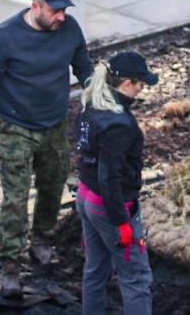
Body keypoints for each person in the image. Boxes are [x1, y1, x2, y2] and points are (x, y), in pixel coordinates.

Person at [0, 0, 93, 298]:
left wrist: (98, 100)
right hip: (15, 126)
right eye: (55, 11)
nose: (61, 17)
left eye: (64, 10)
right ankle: (10, 263)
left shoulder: (69, 30)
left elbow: (85, 69)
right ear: (35, 6)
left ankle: (41, 238)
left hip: (54, 124)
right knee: (15, 197)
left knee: (53, 187)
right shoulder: (5, 37)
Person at [76, 50, 158, 315]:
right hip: (109, 207)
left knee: (95, 269)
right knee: (136, 277)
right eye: (140, 84)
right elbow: (109, 177)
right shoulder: (119, 125)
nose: (141, 90)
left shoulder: (92, 103)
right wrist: (122, 222)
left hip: (85, 196)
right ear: (126, 84)